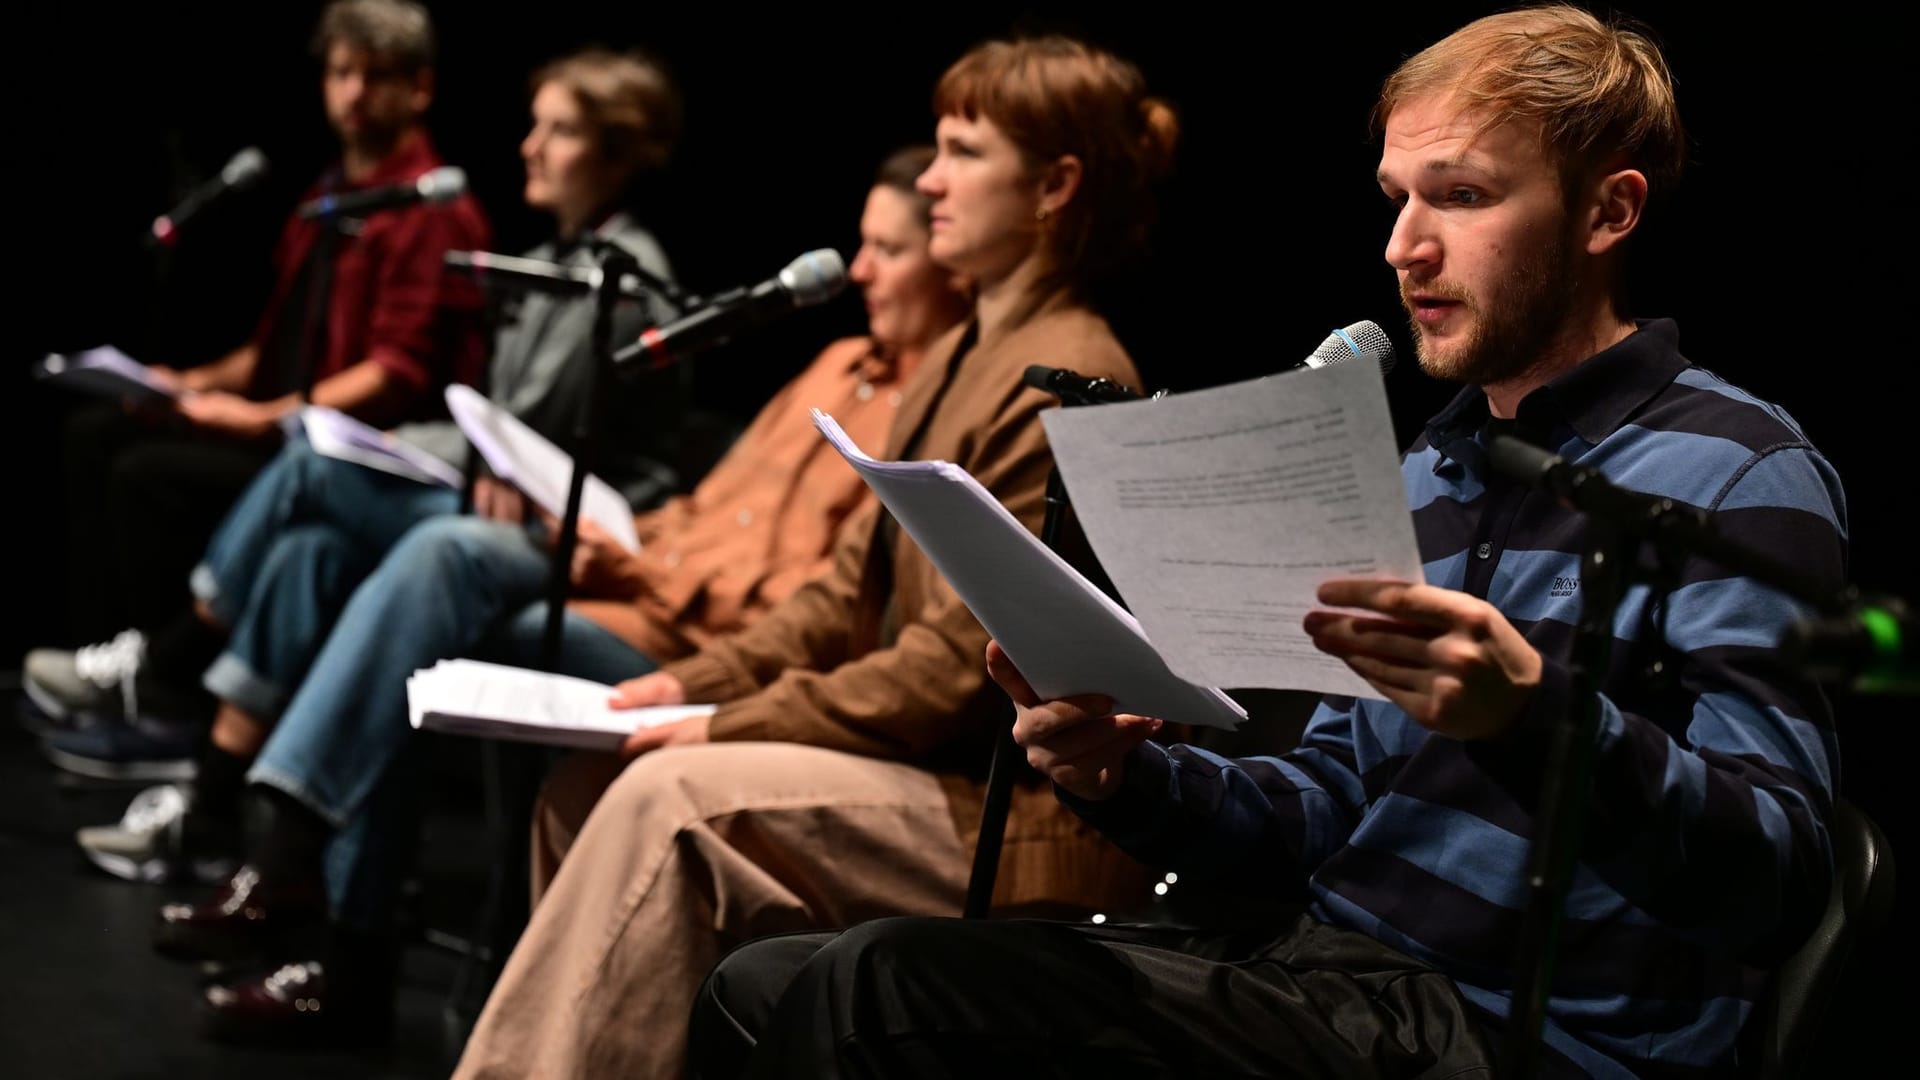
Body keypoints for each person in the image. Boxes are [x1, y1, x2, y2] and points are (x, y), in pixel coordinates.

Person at [690, 7, 1848, 1078]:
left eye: (1463, 196)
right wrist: (1125, 774)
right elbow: (1328, 803)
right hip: (1327, 975)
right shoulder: (1428, 469)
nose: (1405, 247)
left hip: (1507, 1033)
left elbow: (1783, 877)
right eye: (1398, 197)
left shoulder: (1739, 473)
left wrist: (1530, 720)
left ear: (1609, 212)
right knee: (760, 984)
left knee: (874, 987)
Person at [450, 35, 1179, 1080]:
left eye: (963, 153)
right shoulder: (961, 355)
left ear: (1055, 187)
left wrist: (718, 724)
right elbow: (845, 589)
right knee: (582, 781)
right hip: (912, 772)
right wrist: (681, 686)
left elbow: (948, 675)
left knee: (672, 804)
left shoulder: (1064, 378)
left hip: (997, 811)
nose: (930, 179)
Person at [151, 144, 974, 1046]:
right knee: (359, 556)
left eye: (888, 251)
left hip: (701, 648)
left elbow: (810, 604)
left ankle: (306, 873)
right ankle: (336, 925)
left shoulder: (935, 409)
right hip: (646, 583)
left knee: (440, 559)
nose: (858, 270)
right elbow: (705, 509)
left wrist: (637, 564)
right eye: (860, 244)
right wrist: (621, 540)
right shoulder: (837, 363)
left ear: (951, 265)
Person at [69, 46, 687, 886]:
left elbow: (520, 432)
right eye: (535, 126)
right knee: (307, 551)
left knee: (316, 467)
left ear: (615, 152)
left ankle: (171, 664)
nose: (530, 148)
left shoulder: (625, 280)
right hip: (497, 502)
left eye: (561, 131)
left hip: (559, 534)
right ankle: (221, 820)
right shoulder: (562, 257)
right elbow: (491, 427)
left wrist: (398, 448)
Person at [28, 0, 491, 774]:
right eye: (342, 73)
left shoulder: (432, 211)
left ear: (420, 89)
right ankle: (114, 672)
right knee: (103, 430)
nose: (353, 94)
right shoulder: (328, 199)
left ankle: (171, 701)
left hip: (359, 452)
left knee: (147, 476)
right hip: (291, 422)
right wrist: (190, 384)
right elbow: (276, 344)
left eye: (376, 77)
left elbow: (394, 374)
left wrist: (258, 419)